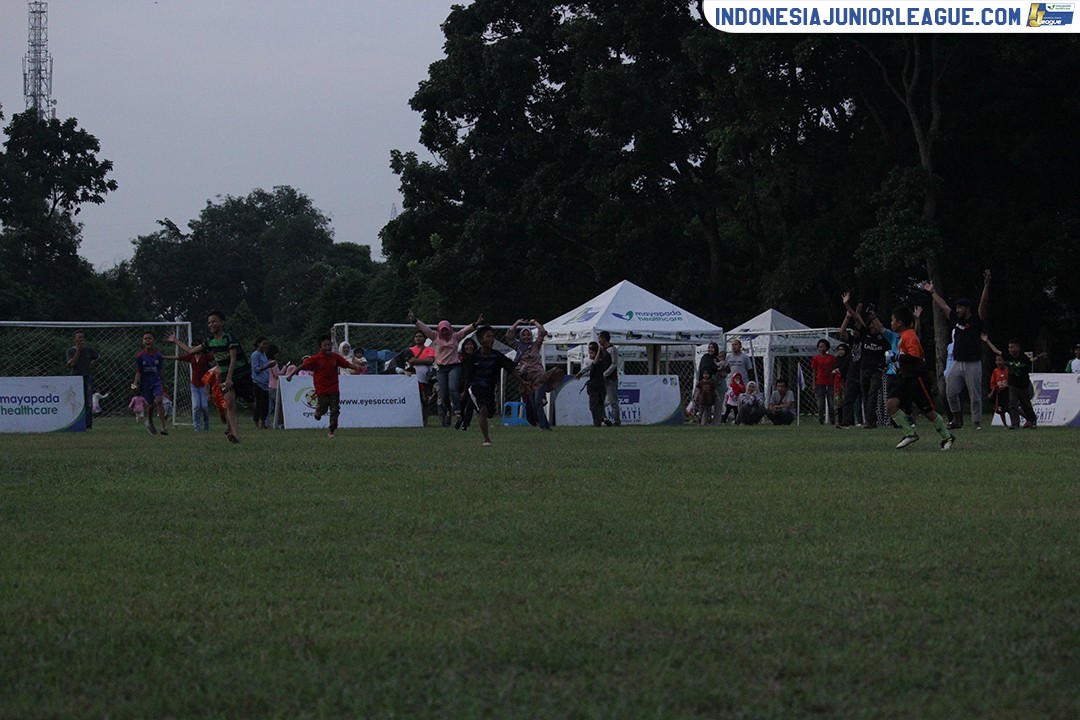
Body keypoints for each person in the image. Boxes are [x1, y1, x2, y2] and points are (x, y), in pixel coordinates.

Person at [166, 310, 254, 444]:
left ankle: (259, 418)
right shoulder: (210, 341)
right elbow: (190, 351)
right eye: (209, 322)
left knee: (252, 404)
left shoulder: (229, 338)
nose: (211, 324)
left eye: (214, 321)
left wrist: (230, 377)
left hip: (241, 374)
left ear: (222, 323)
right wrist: (175, 340)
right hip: (225, 376)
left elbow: (233, 358)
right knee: (229, 403)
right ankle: (235, 435)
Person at [923, 270, 991, 430]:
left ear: (967, 308)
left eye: (960, 307)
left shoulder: (976, 320)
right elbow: (943, 306)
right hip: (957, 362)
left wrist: (986, 285)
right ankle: (957, 419)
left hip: (973, 363)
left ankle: (977, 423)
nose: (957, 310)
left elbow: (983, 304)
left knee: (975, 396)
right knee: (950, 392)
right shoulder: (956, 319)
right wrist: (932, 292)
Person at [887, 306, 956, 450]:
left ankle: (948, 436)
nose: (891, 323)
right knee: (891, 404)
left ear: (899, 322)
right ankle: (909, 433)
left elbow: (915, 356)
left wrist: (896, 356)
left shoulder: (909, 335)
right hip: (905, 378)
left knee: (928, 411)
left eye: (892, 320)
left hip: (917, 378)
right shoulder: (903, 336)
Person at [409, 309, 482, 427]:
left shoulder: (455, 337)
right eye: (442, 330)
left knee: (453, 388)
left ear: (449, 329)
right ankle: (449, 409)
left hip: (454, 366)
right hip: (441, 368)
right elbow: (424, 328)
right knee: (443, 393)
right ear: (439, 330)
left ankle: (458, 411)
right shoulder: (435, 336)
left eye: (446, 330)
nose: (444, 333)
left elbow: (466, 330)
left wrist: (476, 324)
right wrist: (415, 321)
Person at [283, 335, 363, 438]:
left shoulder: (335, 357)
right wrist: (291, 375)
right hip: (321, 388)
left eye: (329, 345)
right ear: (320, 347)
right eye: (325, 345)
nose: (327, 347)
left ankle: (331, 431)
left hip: (334, 387)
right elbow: (303, 366)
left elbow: (346, 364)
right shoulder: (316, 358)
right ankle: (319, 410)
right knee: (324, 408)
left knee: (335, 409)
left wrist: (356, 367)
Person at [461, 325, 520, 446]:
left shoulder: (497, 356)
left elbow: (511, 369)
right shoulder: (474, 357)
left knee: (490, 413)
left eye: (493, 337)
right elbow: (468, 376)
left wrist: (522, 381)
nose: (492, 339)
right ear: (481, 340)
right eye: (488, 336)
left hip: (490, 387)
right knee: (482, 410)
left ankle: (479, 414)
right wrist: (464, 391)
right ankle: (486, 439)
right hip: (476, 387)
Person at [982, 335, 1037, 429]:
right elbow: (996, 351)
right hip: (1012, 385)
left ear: (1018, 348)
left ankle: (1032, 420)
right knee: (1012, 403)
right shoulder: (1007, 356)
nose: (1010, 349)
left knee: (1026, 405)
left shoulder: (1023, 358)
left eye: (1012, 347)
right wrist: (987, 341)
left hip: (1023, 386)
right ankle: (1015, 424)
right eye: (1009, 347)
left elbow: (1031, 360)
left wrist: (1035, 358)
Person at [508, 318, 550, 427]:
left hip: (538, 376)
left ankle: (542, 426)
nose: (526, 337)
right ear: (521, 337)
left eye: (528, 335)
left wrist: (534, 322)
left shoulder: (535, 345)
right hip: (527, 378)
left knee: (537, 401)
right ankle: (546, 425)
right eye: (524, 335)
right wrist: (517, 322)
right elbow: (509, 336)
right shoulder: (518, 347)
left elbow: (542, 332)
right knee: (533, 404)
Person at [163, 345, 212, 432]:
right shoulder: (191, 357)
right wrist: (162, 356)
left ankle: (206, 425)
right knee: (196, 406)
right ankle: (196, 428)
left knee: (204, 406)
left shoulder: (206, 357)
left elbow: (217, 355)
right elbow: (177, 357)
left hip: (204, 385)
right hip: (194, 385)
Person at [131, 331, 168, 436]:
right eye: (145, 339)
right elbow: (138, 372)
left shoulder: (158, 355)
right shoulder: (140, 356)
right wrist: (134, 384)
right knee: (151, 405)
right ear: (143, 342)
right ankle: (150, 421)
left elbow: (161, 370)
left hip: (156, 381)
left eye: (149, 338)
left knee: (159, 401)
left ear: (153, 341)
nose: (147, 340)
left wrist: (163, 383)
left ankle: (163, 426)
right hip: (145, 383)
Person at [66, 330, 100, 429]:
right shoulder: (70, 351)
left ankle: (88, 424)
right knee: (74, 401)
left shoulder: (88, 350)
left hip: (87, 377)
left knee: (88, 401)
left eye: (82, 337)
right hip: (75, 378)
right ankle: (74, 422)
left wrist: (91, 363)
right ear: (74, 339)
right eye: (79, 337)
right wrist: (78, 351)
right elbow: (72, 363)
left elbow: (98, 357)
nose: (81, 339)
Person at [575, 341, 610, 427]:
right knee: (600, 404)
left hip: (594, 386)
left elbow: (592, 364)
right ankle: (603, 418)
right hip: (602, 385)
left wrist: (580, 373)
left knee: (594, 405)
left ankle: (597, 422)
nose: (589, 355)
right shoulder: (604, 362)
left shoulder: (596, 363)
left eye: (591, 353)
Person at [405, 331, 436, 427]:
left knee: (425, 401)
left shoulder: (430, 349)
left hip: (425, 379)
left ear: (424, 338)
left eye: (420, 336)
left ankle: (425, 421)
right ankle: (413, 421)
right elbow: (409, 361)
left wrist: (416, 361)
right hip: (412, 380)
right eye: (416, 336)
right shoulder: (409, 350)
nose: (418, 338)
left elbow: (430, 361)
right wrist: (423, 361)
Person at [597, 331, 621, 426]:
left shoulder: (612, 349)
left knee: (613, 401)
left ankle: (617, 422)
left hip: (611, 379)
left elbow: (614, 364)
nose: (598, 340)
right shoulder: (602, 350)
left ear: (604, 338)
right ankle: (605, 419)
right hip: (603, 380)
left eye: (599, 338)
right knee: (601, 401)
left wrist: (605, 374)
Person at [250, 337, 274, 430]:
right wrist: (267, 366)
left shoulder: (264, 354)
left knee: (265, 405)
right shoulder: (255, 355)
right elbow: (255, 369)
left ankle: (263, 422)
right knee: (259, 404)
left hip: (265, 383)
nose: (265, 346)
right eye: (263, 344)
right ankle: (256, 423)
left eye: (266, 344)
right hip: (258, 383)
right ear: (258, 344)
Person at [455, 337, 478, 430]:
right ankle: (461, 419)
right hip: (462, 383)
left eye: (471, 344)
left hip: (474, 383)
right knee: (462, 403)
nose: (469, 347)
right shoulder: (460, 358)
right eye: (467, 345)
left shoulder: (477, 357)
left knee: (470, 404)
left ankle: (466, 423)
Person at [810, 339, 835, 424]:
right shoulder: (816, 358)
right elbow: (814, 371)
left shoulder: (831, 357)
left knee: (831, 402)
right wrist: (813, 384)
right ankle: (821, 419)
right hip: (820, 382)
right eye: (820, 347)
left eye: (823, 346)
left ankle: (832, 419)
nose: (821, 348)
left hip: (830, 382)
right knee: (820, 403)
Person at [988, 353, 1010, 428]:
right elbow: (993, 383)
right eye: (997, 360)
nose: (998, 362)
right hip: (999, 394)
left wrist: (1007, 386)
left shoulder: (1008, 370)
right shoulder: (995, 371)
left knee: (1011, 408)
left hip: (1007, 392)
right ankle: (1005, 425)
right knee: (1000, 410)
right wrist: (992, 392)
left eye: (1000, 360)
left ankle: (1015, 422)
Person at [267, 345, 283, 429]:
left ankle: (266, 422)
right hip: (275, 386)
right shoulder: (273, 363)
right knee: (279, 405)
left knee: (269, 406)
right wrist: (284, 369)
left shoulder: (267, 362)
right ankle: (279, 423)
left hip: (268, 386)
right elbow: (277, 375)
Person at [832, 344, 848, 426]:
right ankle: (839, 420)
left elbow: (845, 369)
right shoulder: (837, 359)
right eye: (839, 350)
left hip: (845, 383)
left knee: (845, 401)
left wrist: (839, 370)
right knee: (838, 403)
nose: (840, 351)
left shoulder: (847, 359)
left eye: (842, 349)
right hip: (837, 384)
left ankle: (847, 420)